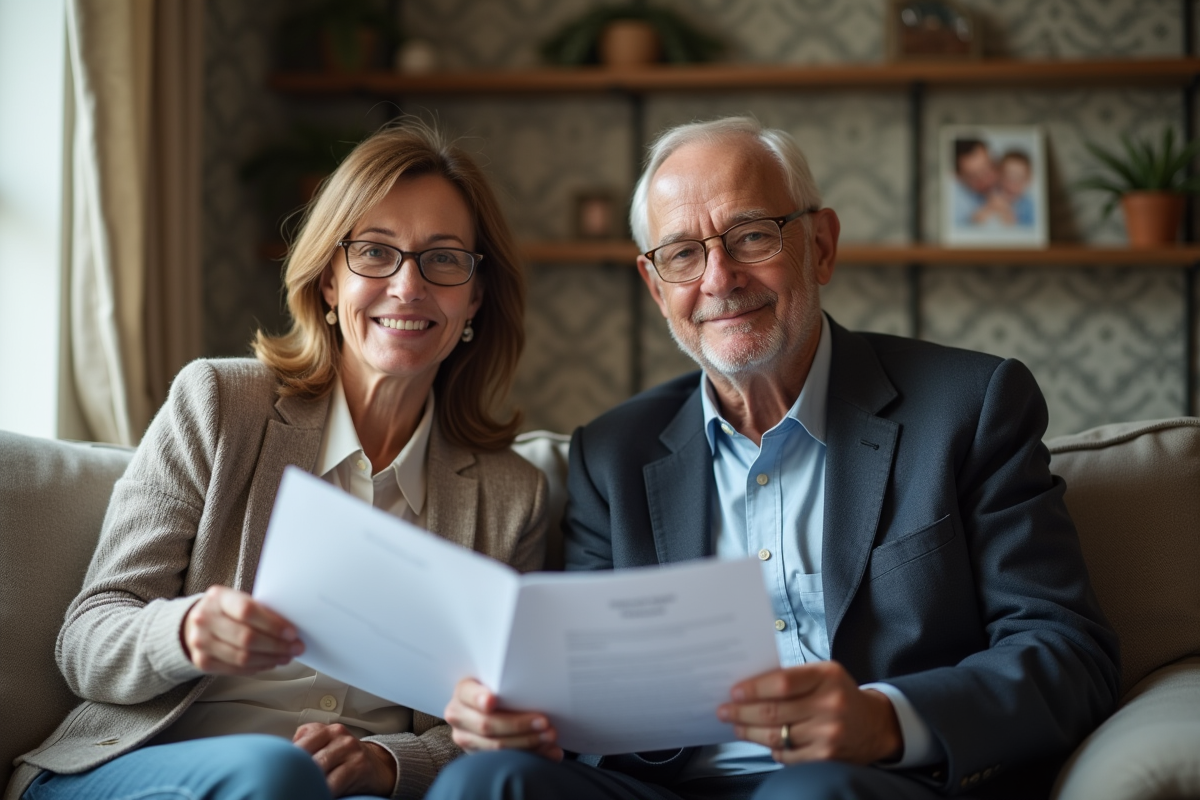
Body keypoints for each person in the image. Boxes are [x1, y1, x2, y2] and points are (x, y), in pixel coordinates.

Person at [429, 117, 1120, 800]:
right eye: (682, 255)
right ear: (654, 284)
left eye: (752, 236)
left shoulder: (968, 407)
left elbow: (1067, 653)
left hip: (871, 781)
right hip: (668, 786)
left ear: (820, 245)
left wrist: (883, 720)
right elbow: (580, 687)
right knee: (484, 779)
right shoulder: (613, 453)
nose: (719, 278)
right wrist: (514, 720)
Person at [9, 121, 548, 800]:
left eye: (443, 259)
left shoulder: (511, 496)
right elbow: (87, 641)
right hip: (145, 767)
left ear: (475, 296)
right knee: (276, 771)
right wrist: (184, 630)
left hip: (346, 794)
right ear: (328, 280)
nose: (409, 286)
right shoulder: (219, 403)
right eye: (376, 253)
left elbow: (481, 724)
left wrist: (387, 762)